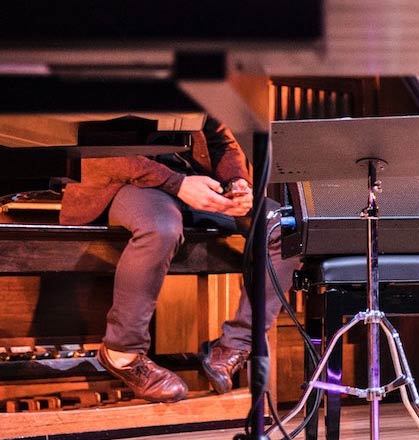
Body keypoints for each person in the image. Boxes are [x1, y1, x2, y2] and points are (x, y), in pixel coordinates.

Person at [59, 118, 299, 403]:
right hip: (121, 183)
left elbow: (220, 139)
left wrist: (238, 183)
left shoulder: (195, 77)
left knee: (284, 227)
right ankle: (122, 352)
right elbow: (94, 150)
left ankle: (236, 344)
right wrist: (178, 184)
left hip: (191, 183)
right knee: (161, 228)